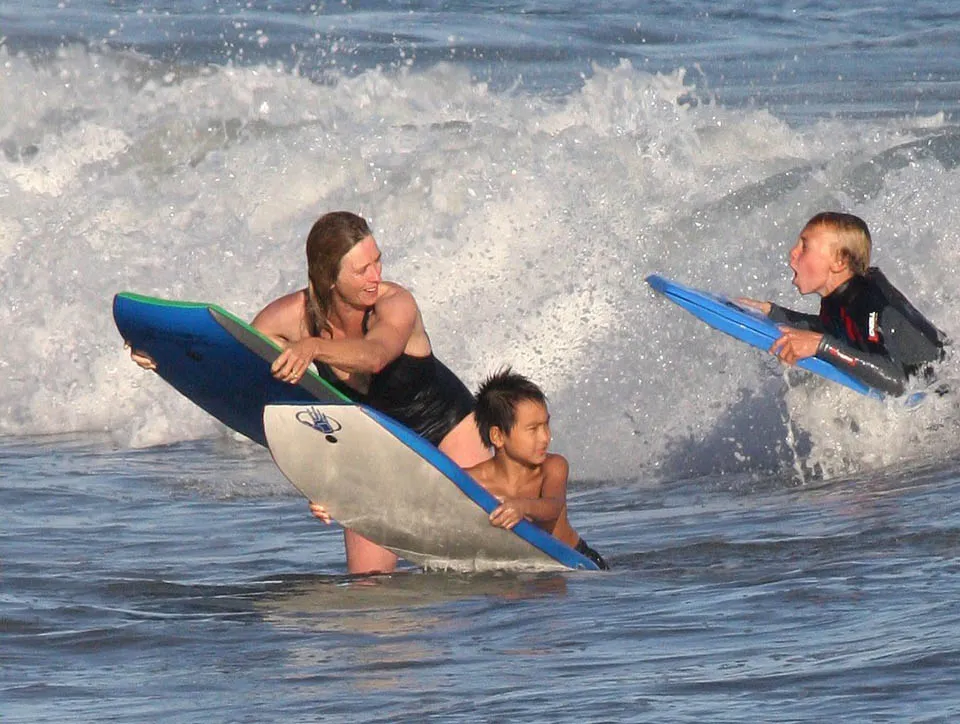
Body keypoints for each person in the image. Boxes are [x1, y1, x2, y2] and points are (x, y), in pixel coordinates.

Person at [132, 211, 490, 575]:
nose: (376, 276)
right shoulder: (290, 319)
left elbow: (376, 356)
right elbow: (236, 371)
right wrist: (166, 358)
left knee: (475, 561)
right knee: (369, 588)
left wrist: (314, 348)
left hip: (448, 430)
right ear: (328, 276)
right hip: (378, 451)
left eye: (377, 261)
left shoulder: (395, 303)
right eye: (361, 269)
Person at [737, 211, 946, 396]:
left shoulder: (869, 302)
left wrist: (822, 346)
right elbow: (837, 329)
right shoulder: (839, 299)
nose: (792, 252)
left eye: (804, 246)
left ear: (840, 262)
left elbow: (899, 382)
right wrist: (774, 313)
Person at [465, 368, 608, 570]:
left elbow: (553, 506)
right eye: (533, 429)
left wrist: (522, 507)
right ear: (498, 437)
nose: (545, 437)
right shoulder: (470, 481)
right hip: (520, 568)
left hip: (574, 564)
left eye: (546, 425)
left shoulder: (553, 467)